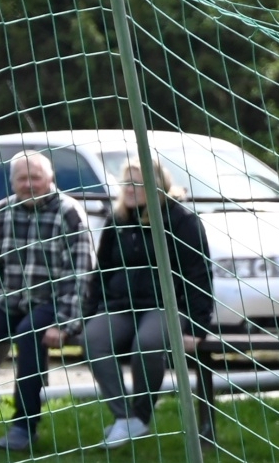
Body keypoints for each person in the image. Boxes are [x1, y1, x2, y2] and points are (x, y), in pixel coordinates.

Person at [0, 150, 94, 453]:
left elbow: (80, 274)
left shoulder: (69, 212)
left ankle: (24, 425)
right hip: (9, 300)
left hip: (50, 302)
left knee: (30, 333)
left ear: (50, 178)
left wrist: (65, 323)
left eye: (35, 178)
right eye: (22, 179)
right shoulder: (1, 212)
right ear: (12, 182)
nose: (29, 184)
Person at [75, 159, 214, 448]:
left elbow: (199, 275)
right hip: (122, 305)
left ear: (157, 186)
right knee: (93, 339)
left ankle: (141, 414)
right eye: (126, 183)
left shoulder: (182, 220)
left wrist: (197, 328)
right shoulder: (117, 220)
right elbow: (101, 272)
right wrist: (87, 315)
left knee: (147, 344)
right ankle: (125, 418)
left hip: (168, 306)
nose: (130, 189)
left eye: (137, 183)